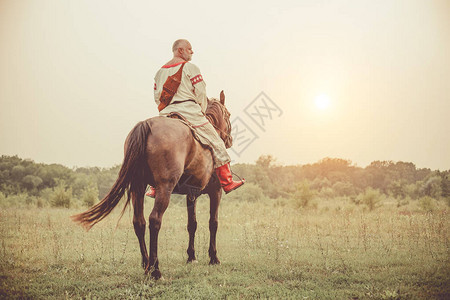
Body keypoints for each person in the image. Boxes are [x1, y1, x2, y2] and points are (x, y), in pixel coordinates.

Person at [147, 39, 244, 198]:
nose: (192, 52)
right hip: (189, 111)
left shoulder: (159, 72)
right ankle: (227, 182)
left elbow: (157, 97)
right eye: (189, 49)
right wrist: (200, 109)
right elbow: (200, 92)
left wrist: (166, 109)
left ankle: (153, 187)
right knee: (217, 142)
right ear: (180, 51)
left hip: (166, 114)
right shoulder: (191, 67)